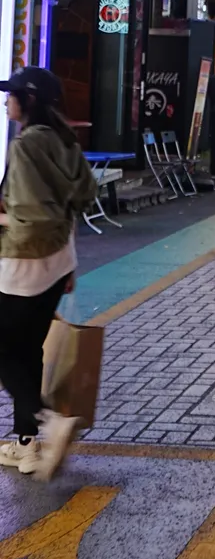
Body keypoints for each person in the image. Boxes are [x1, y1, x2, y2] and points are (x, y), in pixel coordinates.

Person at [0, 66, 98, 479]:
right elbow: (84, 195)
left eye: (12, 95)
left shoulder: (26, 146)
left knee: (5, 350)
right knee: (27, 350)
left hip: (24, 264)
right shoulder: (64, 138)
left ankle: (46, 419)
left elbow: (31, 218)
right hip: (60, 262)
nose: (7, 101)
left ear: (30, 100)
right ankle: (26, 446)